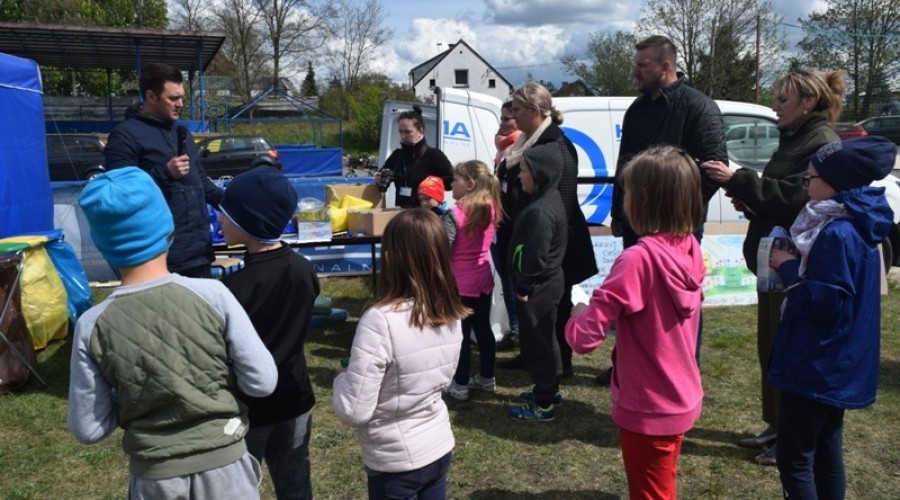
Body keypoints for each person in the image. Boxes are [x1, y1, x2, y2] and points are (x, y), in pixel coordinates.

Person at [67, 167, 277, 500]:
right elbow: (262, 381)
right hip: (227, 468)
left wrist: (131, 393)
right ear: (166, 228)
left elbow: (88, 428)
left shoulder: (92, 324)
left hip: (155, 479)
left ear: (104, 244)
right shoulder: (213, 295)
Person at [703, 69, 846, 466]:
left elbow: (799, 199)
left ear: (807, 103)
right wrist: (751, 200)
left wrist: (739, 179)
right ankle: (778, 425)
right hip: (775, 262)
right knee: (772, 346)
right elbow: (780, 197)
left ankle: (793, 438)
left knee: (791, 353)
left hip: (796, 267)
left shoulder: (821, 142)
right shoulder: (796, 137)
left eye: (783, 99)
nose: (775, 106)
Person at [566, 146, 705, 499]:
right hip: (681, 395)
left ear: (641, 201)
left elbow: (584, 339)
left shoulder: (637, 259)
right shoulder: (688, 246)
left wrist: (578, 311)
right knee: (662, 483)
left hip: (649, 406)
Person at [767, 137, 895, 498]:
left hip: (817, 364)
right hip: (837, 363)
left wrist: (788, 267)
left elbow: (821, 303)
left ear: (836, 182)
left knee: (795, 459)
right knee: (826, 450)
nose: (806, 185)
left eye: (811, 178)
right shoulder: (855, 222)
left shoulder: (837, 233)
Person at [600, 34, 727, 385]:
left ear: (665, 67)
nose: (634, 72)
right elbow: (624, 164)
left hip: (677, 230)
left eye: (642, 65)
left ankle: (683, 375)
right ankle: (628, 367)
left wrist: (676, 214)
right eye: (635, 64)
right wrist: (618, 210)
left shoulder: (699, 107)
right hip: (636, 224)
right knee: (633, 302)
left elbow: (714, 170)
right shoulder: (637, 109)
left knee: (675, 309)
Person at [332, 209, 470, 499]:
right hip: (437, 446)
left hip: (396, 461)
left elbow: (354, 410)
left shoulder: (381, 319)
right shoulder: (451, 311)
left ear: (392, 258)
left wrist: (341, 379)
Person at [218, 167, 320, 500]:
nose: (219, 220)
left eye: (226, 214)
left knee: (240, 486)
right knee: (295, 480)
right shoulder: (304, 270)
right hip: (295, 396)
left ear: (251, 221)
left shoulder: (233, 288)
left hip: (250, 409)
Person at [495, 82, 597, 380]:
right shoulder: (526, 141)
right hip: (524, 235)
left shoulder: (555, 146)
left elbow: (559, 201)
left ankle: (558, 364)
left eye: (516, 109)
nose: (511, 115)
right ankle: (532, 354)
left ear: (534, 110)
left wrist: (537, 237)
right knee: (530, 306)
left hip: (549, 242)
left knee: (553, 306)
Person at [104, 62, 224, 278]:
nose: (180, 104)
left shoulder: (182, 132)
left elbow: (201, 184)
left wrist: (239, 202)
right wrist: (165, 173)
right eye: (173, 98)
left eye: (182, 97)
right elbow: (120, 196)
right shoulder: (125, 137)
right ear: (151, 96)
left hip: (199, 251)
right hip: (160, 258)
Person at [507, 143, 568, 421]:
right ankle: (548, 388)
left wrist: (523, 288)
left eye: (523, 171)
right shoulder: (547, 199)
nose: (520, 177)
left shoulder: (542, 211)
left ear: (540, 173)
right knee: (545, 336)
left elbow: (536, 256)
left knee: (538, 341)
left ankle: (544, 404)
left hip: (538, 286)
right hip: (545, 283)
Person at [445, 160, 501, 401]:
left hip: (459, 284)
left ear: (469, 184)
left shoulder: (455, 214)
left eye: (455, 180)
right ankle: (487, 377)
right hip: (483, 280)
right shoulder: (491, 207)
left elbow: (443, 248)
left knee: (461, 335)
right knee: (483, 329)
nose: (451, 184)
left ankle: (460, 383)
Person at [377, 105, 453, 208]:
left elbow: (451, 183)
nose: (403, 136)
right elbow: (381, 181)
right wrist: (379, 179)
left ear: (421, 130)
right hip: (401, 213)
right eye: (400, 131)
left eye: (408, 132)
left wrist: (432, 185)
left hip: (424, 216)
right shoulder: (397, 155)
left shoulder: (434, 155)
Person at [493, 101, 523, 351]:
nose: (502, 124)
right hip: (500, 224)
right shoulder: (503, 150)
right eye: (501, 118)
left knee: (513, 282)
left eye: (508, 119)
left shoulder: (519, 150)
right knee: (506, 281)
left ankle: (518, 331)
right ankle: (516, 330)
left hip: (512, 226)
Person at [418, 175, 458, 244]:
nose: (424, 203)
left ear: (438, 198)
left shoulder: (447, 217)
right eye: (421, 200)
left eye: (427, 199)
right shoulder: (418, 217)